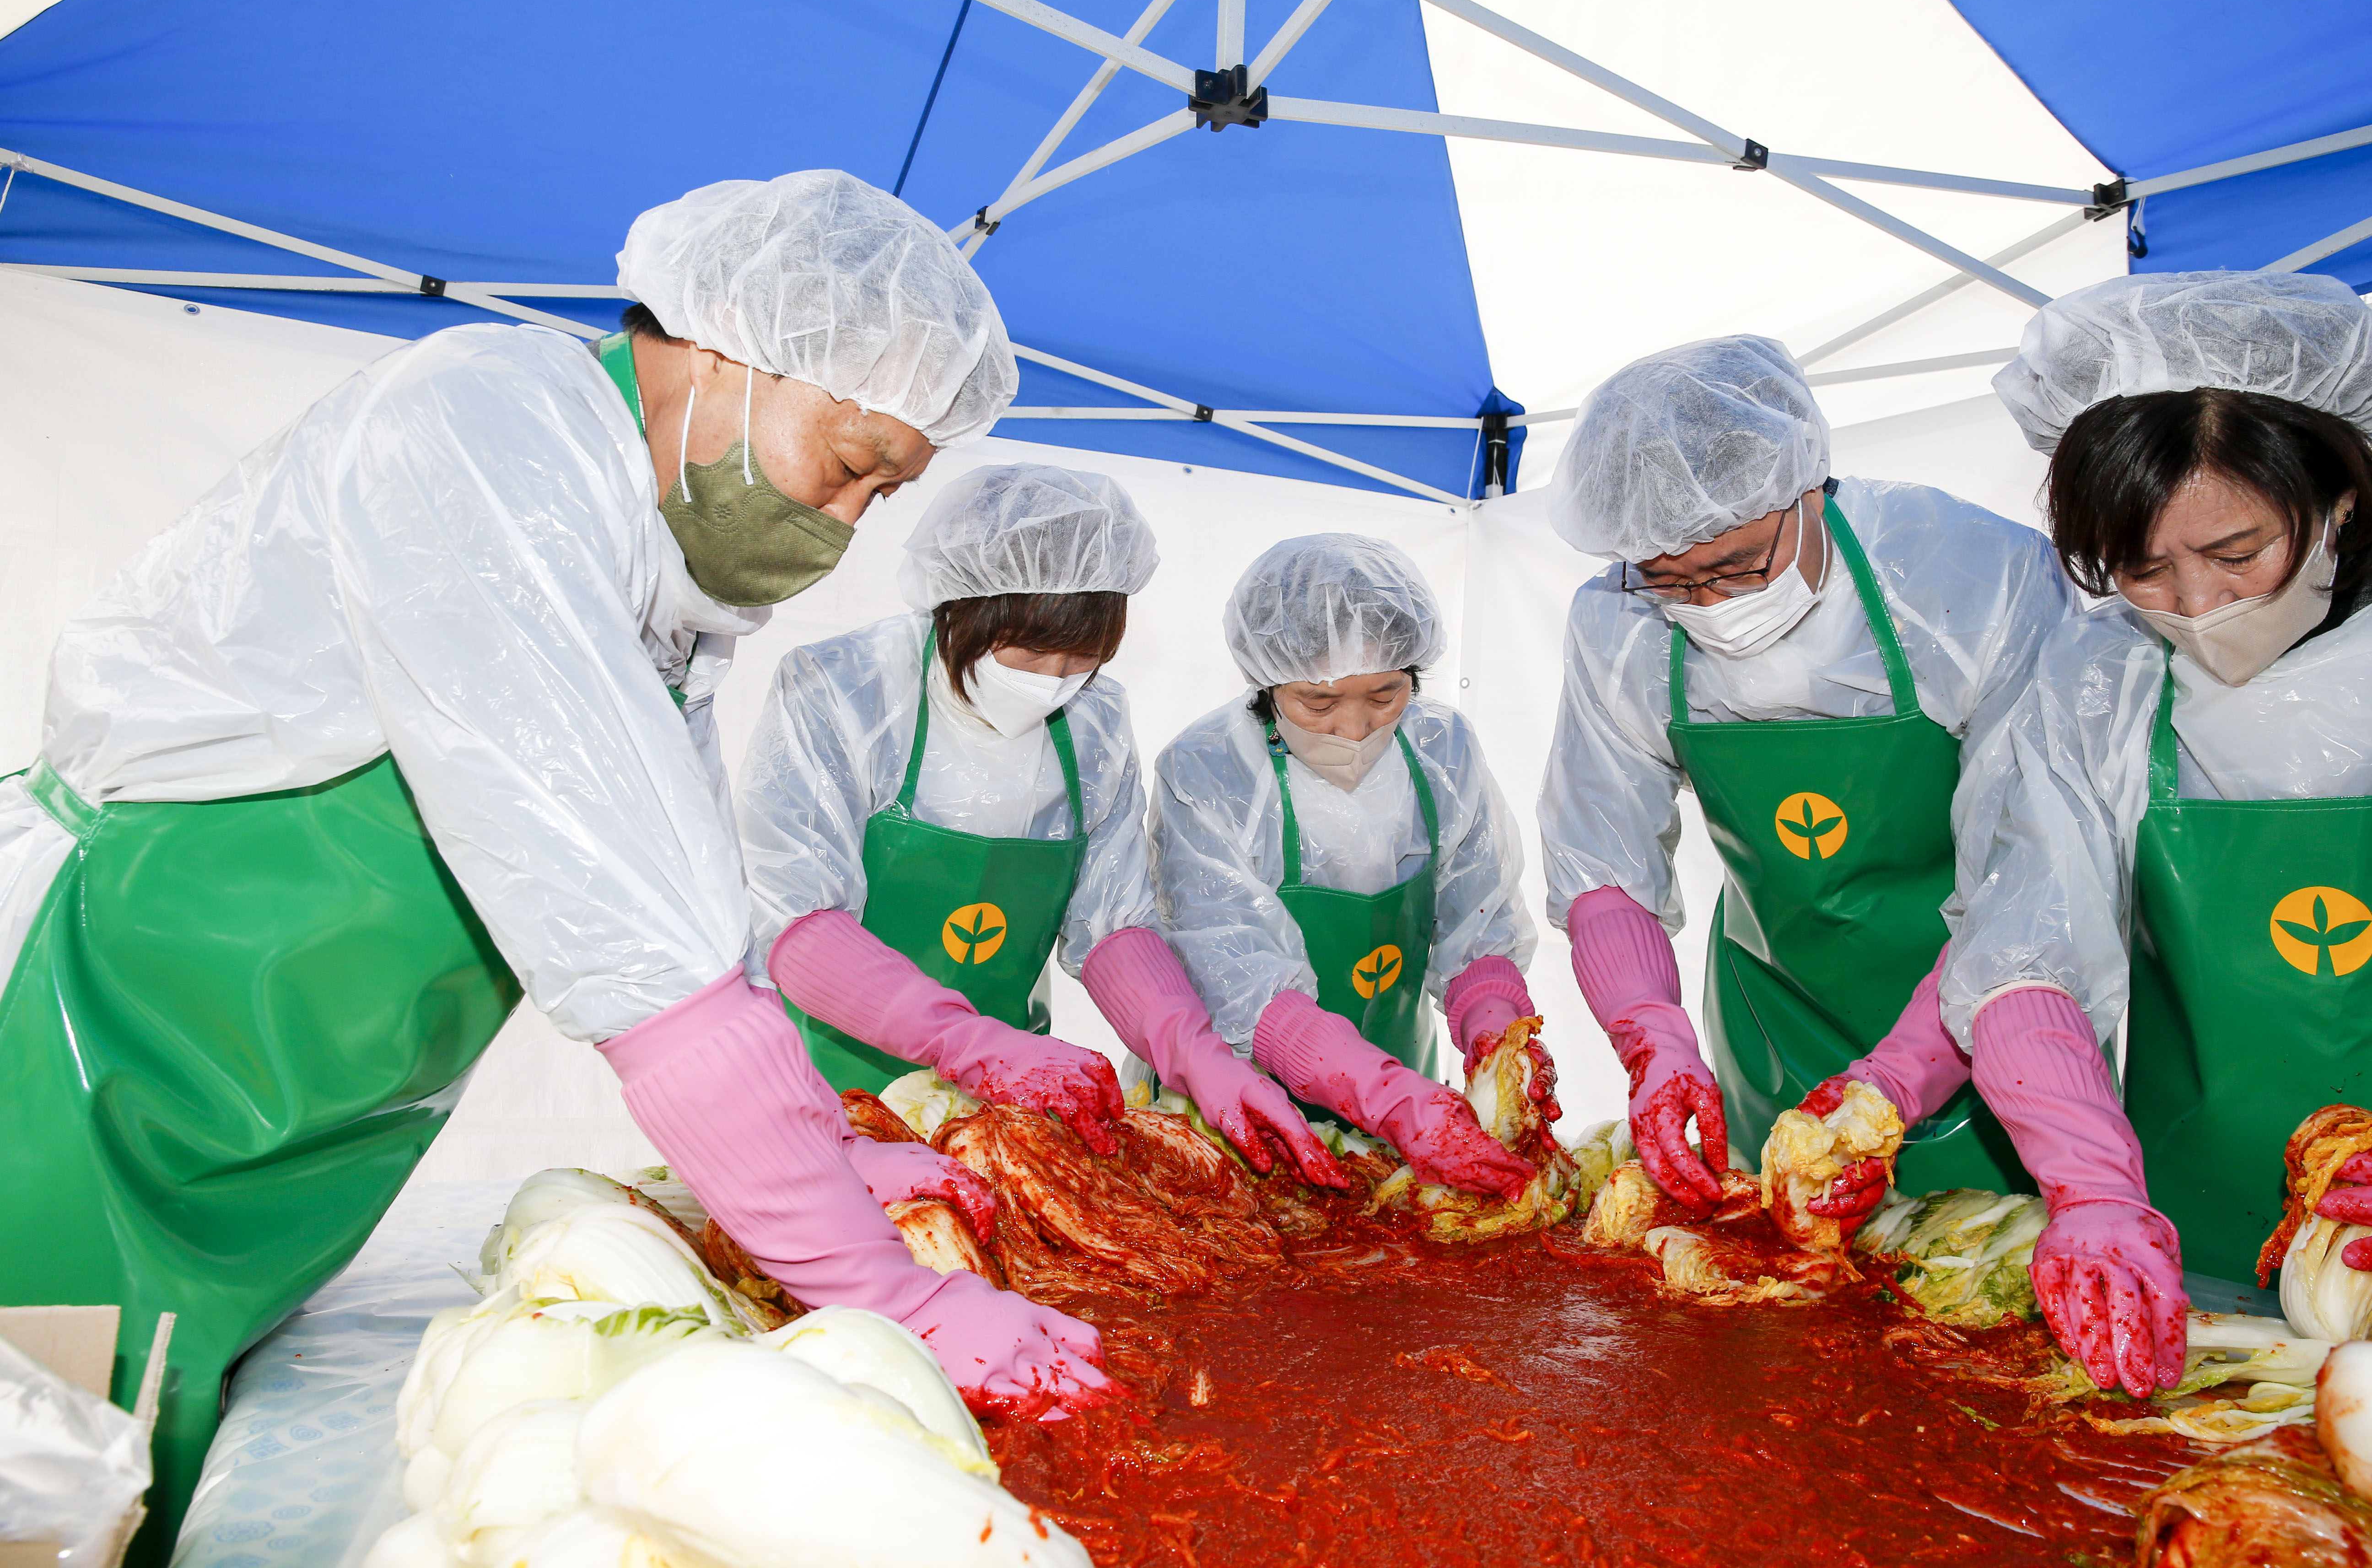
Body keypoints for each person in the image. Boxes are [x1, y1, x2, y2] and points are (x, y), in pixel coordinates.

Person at [0, 169, 1094, 1558]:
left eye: (887, 493)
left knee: (159, 1449)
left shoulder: (657, 578)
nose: (844, 520)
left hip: (290, 1117)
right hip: (107, 1044)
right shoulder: (483, 437)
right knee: (53, 1467)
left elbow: (697, 902)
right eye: (851, 459)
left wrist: (822, 1148)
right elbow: (634, 929)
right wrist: (878, 1291)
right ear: (727, 350)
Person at [1538, 335, 2077, 1228]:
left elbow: (2031, 874)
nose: (1713, 605)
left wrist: (1894, 1083)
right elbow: (1602, 861)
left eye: (1740, 566)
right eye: (1673, 583)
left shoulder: (1973, 578)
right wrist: (1649, 1034)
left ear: (1809, 486)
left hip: (1990, 1019)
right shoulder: (1617, 621)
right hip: (1774, 1017)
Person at [1946, 269, 2372, 1396]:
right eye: (2144, 568)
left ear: (2340, 499)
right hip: (2204, 1219)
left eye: (2238, 553)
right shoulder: (2106, 677)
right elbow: (2025, 948)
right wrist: (2091, 1186)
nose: (2196, 605)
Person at [742, 462, 1346, 1189]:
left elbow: (1114, 924)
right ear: (962, 604)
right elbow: (798, 920)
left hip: (1005, 1106)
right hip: (822, 1092)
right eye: (1028, 649)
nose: (1053, 679)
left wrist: (1194, 1052)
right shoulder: (845, 691)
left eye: (1082, 658)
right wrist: (964, 1041)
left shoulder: (1094, 722)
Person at [1148, 534, 1542, 1198]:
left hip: (1405, 1093)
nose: (1355, 729)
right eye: (1319, 704)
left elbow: (1478, 915)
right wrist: (1383, 1095)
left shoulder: (1441, 749)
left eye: (1385, 695)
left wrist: (1496, 1028)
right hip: (1235, 1108)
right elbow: (1232, 971)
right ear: (1267, 681)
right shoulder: (1210, 771)